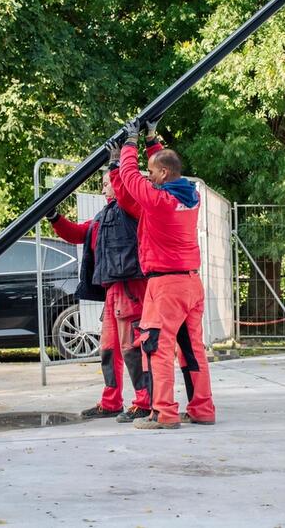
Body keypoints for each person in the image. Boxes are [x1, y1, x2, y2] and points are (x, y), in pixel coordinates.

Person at [45, 134, 163, 422]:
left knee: (133, 346)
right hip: (113, 289)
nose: (103, 188)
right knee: (109, 348)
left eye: (106, 182)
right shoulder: (103, 215)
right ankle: (111, 402)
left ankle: (144, 401)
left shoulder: (132, 205)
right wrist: (54, 217)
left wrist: (116, 164)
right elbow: (76, 233)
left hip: (131, 286)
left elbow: (124, 190)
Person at [113, 119, 216, 429]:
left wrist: (128, 145)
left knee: (156, 347)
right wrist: (151, 140)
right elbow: (159, 167)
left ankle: (164, 413)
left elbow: (131, 177)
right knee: (191, 350)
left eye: (154, 172)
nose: (150, 175)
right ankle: (202, 409)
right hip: (190, 284)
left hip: (166, 285)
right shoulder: (191, 197)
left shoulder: (159, 201)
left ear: (164, 175)